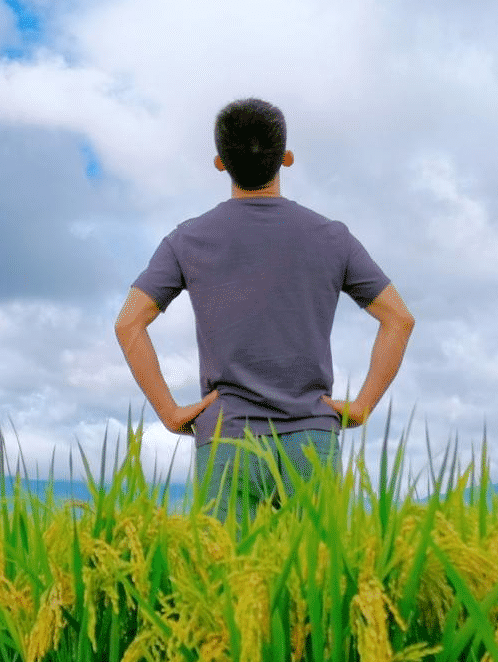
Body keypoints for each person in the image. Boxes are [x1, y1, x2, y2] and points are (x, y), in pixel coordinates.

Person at [113, 98, 414, 521]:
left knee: (223, 565)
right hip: (311, 439)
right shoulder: (333, 237)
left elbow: (128, 323)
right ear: (286, 158)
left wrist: (169, 411)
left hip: (227, 440)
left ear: (220, 163)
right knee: (316, 564)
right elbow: (399, 318)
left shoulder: (186, 239)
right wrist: (362, 405)